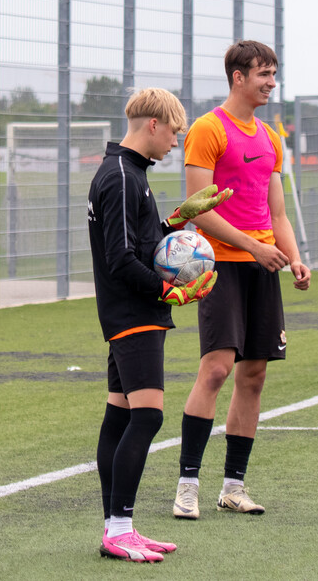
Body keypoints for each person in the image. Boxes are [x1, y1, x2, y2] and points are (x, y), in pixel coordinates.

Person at [87, 87, 232, 562]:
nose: (175, 144)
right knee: (147, 417)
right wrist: (167, 290)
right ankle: (120, 529)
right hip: (134, 315)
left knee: (122, 416)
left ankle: (117, 528)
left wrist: (176, 222)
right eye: (173, 133)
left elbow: (140, 241)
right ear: (153, 124)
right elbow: (121, 259)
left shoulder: (130, 174)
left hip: (128, 313)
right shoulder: (123, 177)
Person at [172, 40, 311, 521]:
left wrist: (293, 258)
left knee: (255, 375)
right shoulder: (208, 130)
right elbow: (197, 211)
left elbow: (276, 212)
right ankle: (187, 484)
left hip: (263, 266)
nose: (271, 82)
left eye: (273, 74)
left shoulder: (272, 138)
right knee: (216, 370)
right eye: (263, 74)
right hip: (222, 266)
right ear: (238, 77)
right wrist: (253, 247)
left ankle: (233, 487)